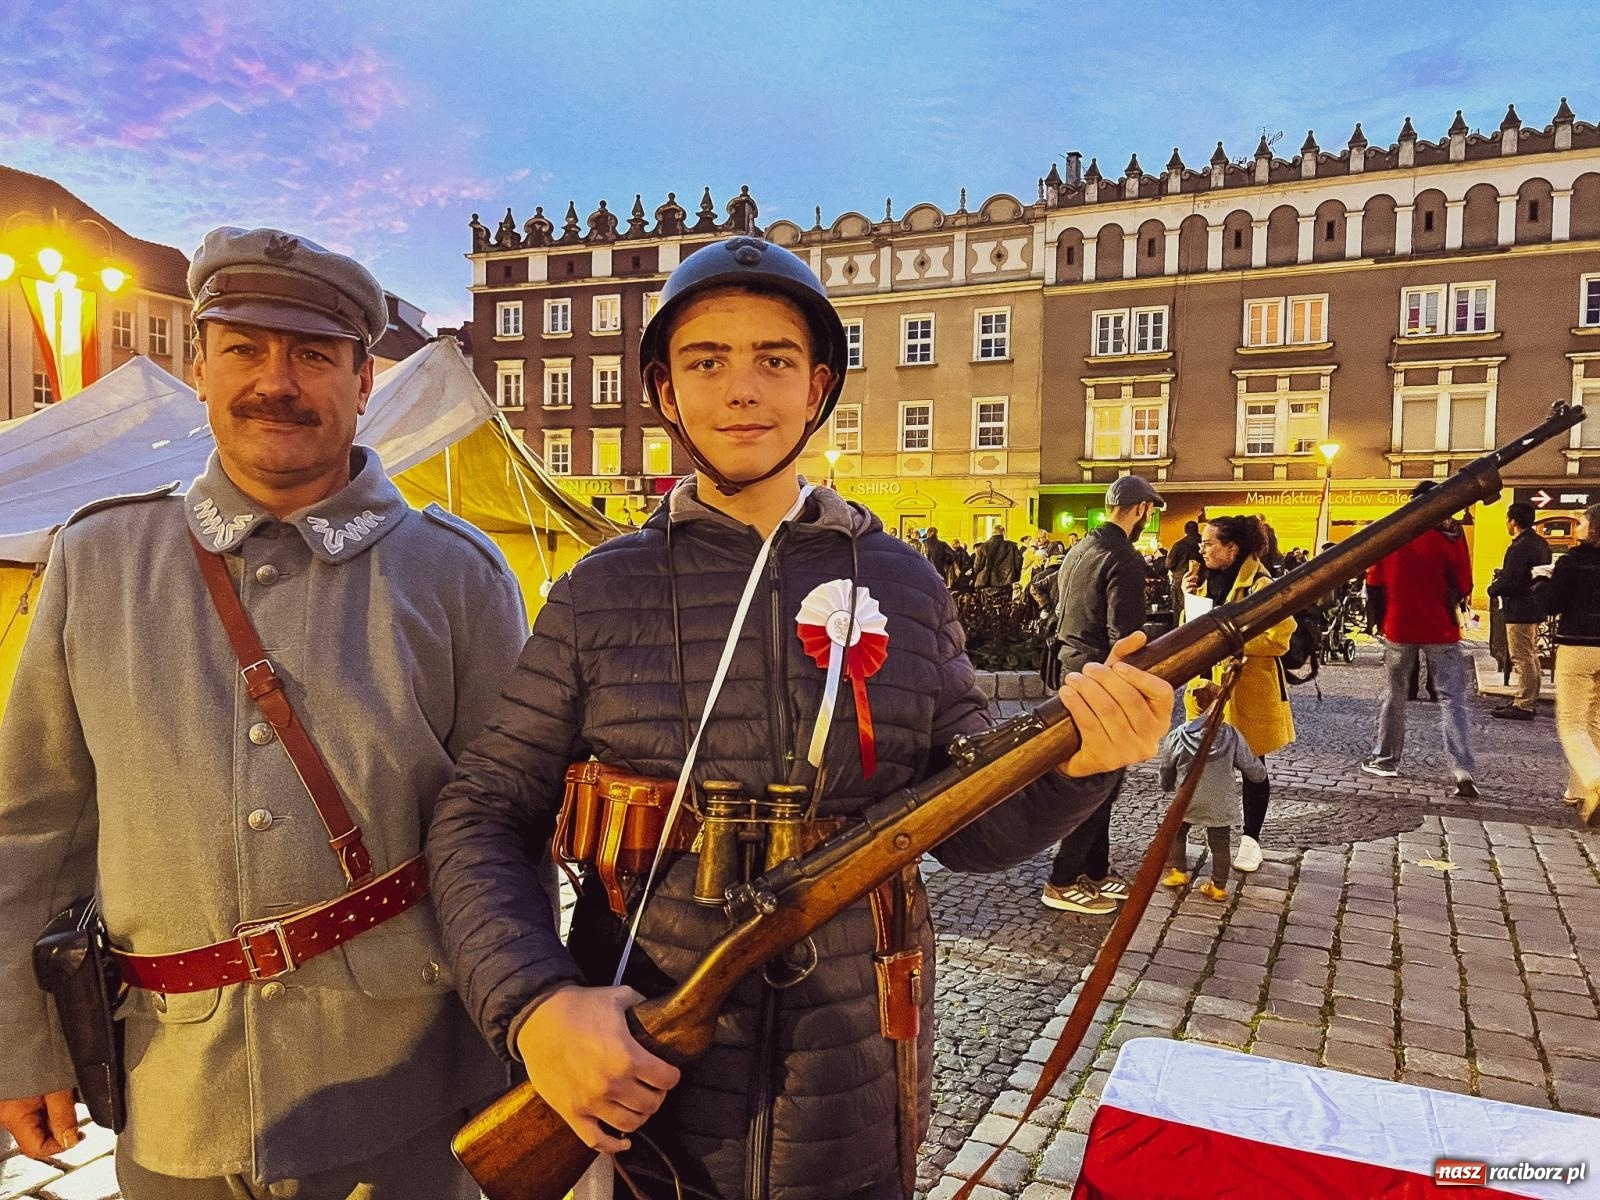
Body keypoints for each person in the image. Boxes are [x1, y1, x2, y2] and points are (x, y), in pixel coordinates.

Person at [425, 236, 1173, 1200]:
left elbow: (974, 829)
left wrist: (1085, 759)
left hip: (852, 1076)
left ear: (818, 386)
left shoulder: (903, 582)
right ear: (665, 390)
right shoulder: (595, 593)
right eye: (707, 361)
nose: (744, 390)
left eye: (774, 360)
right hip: (645, 1064)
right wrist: (535, 1006)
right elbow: (483, 811)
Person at [0, 227, 527, 1198]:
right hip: (174, 1092)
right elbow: (34, 830)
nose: (274, 381)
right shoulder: (98, 562)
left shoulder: (457, 577)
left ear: (362, 381)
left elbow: (503, 839)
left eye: (313, 355)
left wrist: (517, 1049)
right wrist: (22, 1044)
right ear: (197, 365)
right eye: (244, 347)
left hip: (401, 1092)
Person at [1040, 475, 1165, 914]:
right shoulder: (1124, 557)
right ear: (1141, 511)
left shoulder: (1081, 548)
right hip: (1098, 677)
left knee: (1104, 781)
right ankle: (1061, 878)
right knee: (1097, 782)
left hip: (1069, 670)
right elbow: (1125, 635)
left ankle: (1095, 869)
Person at [1183, 514, 1296, 872]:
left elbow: (1280, 638)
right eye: (1202, 543)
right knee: (1200, 762)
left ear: (1231, 548)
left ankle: (1251, 839)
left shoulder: (1261, 584)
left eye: (1208, 543)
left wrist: (1232, 643)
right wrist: (1187, 596)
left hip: (1248, 687)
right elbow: (1193, 630)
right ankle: (1186, 834)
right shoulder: (1202, 580)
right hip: (1207, 688)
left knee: (1252, 765)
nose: (1201, 549)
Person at [1359, 480, 1477, 797]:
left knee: (1394, 695)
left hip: (1399, 625)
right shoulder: (1449, 536)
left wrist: (1378, 621)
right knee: (1453, 699)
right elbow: (1465, 583)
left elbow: (1375, 580)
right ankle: (1462, 770)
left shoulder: (1393, 534)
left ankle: (1386, 759)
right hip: (1440, 626)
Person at [1158, 681, 1265, 902]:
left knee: (1177, 831)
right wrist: (1260, 776)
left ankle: (1178, 870)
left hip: (1187, 799)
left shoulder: (1178, 735)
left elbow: (1167, 766)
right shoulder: (1231, 735)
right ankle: (1218, 886)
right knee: (1220, 843)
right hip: (1220, 801)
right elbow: (1250, 765)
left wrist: (1167, 785)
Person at [1547, 502, 1600, 822]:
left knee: (1572, 722)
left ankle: (1595, 779)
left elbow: (1554, 603)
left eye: (1580, 522)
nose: (1575, 527)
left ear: (1593, 528)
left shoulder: (1571, 562)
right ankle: (1579, 790)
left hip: (1578, 645)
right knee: (1594, 719)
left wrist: (1543, 583)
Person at [1487, 501, 1552, 721]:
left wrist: (1493, 589)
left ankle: (1524, 703)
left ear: (1513, 521)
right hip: (1535, 604)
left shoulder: (1519, 547)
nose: (1507, 523)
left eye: (1507, 519)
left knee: (1522, 656)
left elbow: (1511, 580)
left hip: (1520, 607)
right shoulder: (1541, 543)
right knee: (1531, 655)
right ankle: (1526, 697)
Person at [1166, 521, 1202, 621]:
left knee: (1180, 612)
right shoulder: (1204, 543)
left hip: (1181, 582)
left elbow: (1168, 564)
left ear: (1185, 531)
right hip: (1202, 582)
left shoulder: (1179, 545)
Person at [973, 525, 1022, 594]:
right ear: (1003, 533)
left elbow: (977, 566)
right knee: (1005, 603)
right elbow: (1018, 562)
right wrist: (1016, 576)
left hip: (986, 581)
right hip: (1006, 581)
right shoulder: (1011, 546)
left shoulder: (982, 547)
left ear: (992, 532)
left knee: (986, 603)